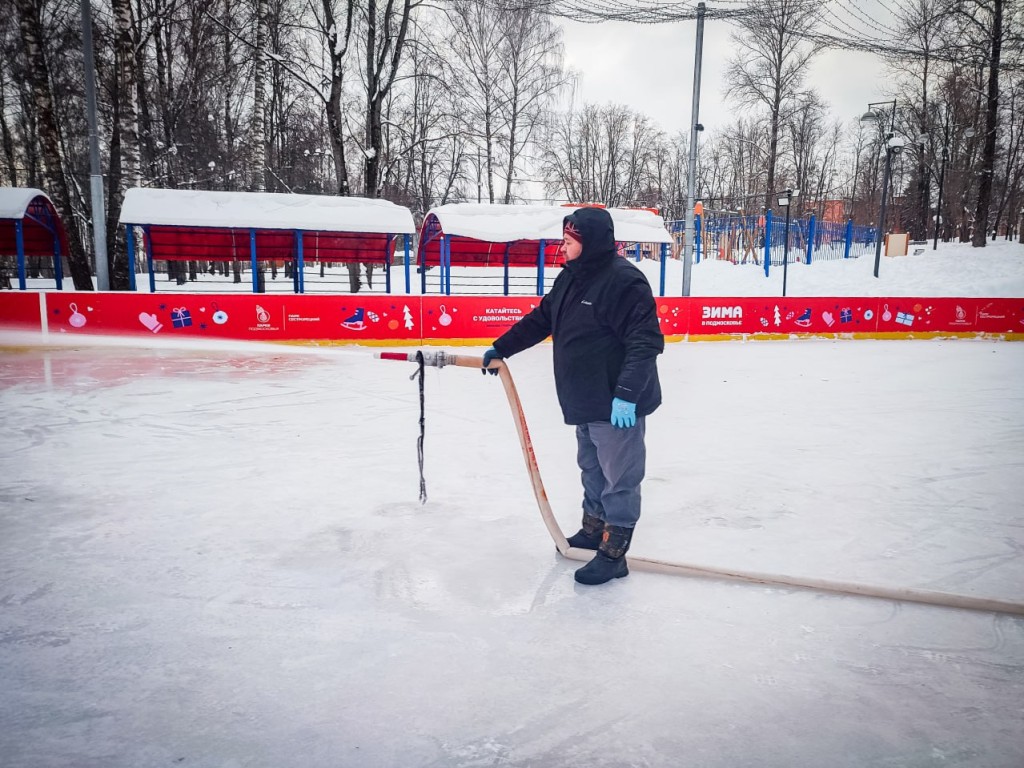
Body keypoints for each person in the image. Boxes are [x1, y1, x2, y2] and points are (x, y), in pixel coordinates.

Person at [481, 207, 664, 585]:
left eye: (568, 242)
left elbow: (644, 342)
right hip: (584, 400)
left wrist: (627, 394)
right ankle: (594, 529)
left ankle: (615, 553)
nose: (561, 249)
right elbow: (541, 319)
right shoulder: (571, 279)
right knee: (592, 469)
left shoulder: (625, 282)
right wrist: (502, 347)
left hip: (616, 405)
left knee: (620, 477)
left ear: (589, 242)